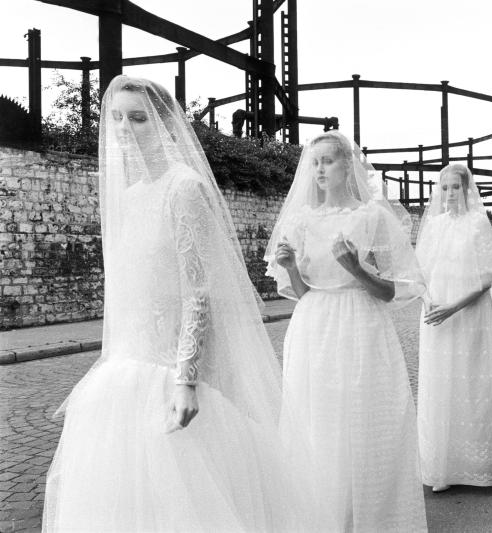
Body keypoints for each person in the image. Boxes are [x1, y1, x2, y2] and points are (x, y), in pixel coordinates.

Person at [43, 76, 327, 532]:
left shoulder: (184, 189)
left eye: (138, 118)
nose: (125, 129)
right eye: (117, 118)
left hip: (171, 374)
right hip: (123, 376)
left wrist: (186, 380)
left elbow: (199, 292)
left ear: (166, 127)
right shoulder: (130, 196)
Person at [264, 130, 428, 532]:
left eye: (328, 161)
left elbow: (389, 291)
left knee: (363, 419)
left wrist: (355, 268)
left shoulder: (371, 216)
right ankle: (324, 516)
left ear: (347, 166)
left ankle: (368, 516)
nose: (319, 170)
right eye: (314, 162)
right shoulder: (302, 220)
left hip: (361, 323)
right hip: (313, 327)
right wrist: (288, 266)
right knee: (317, 422)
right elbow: (305, 293)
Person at [415, 164, 492, 491]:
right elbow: (422, 271)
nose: (450, 193)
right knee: (440, 387)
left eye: (456, 187)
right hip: (436, 317)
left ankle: (478, 466)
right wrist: (428, 301)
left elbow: (486, 279)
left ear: (467, 189)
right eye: (445, 188)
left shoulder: (478, 224)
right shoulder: (434, 225)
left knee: (470, 387)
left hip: (468, 315)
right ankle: (442, 467)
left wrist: (453, 307)